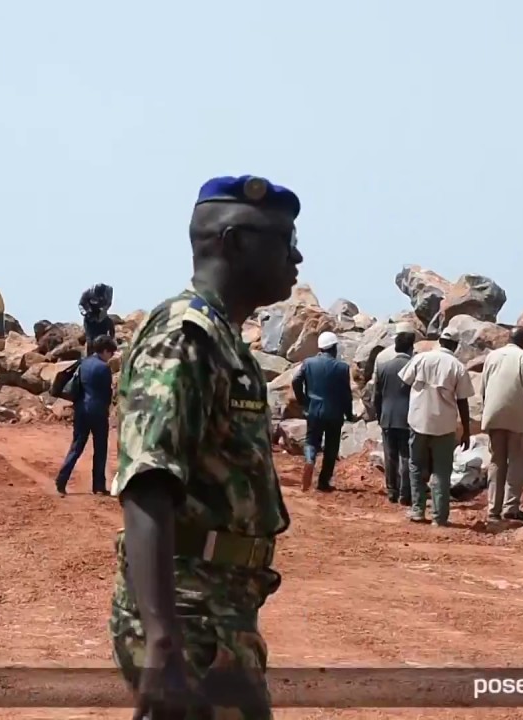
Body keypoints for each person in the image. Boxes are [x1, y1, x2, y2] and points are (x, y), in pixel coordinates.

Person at [111, 175, 302, 718]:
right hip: (190, 614)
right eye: (284, 240)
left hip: (219, 608)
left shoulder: (223, 339)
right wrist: (163, 642)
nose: (298, 255)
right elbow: (149, 480)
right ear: (236, 242)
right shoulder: (184, 335)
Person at [398, 325, 474, 526]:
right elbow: (463, 400)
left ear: (440, 340)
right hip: (444, 425)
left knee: (415, 465)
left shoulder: (421, 358)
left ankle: (417, 510)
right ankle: (439, 517)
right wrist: (465, 430)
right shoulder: (457, 366)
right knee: (441, 470)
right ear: (456, 346)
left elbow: (403, 385)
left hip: (418, 421)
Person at [480, 326, 523, 522]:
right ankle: (510, 507)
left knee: (496, 461)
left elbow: (483, 389)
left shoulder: (492, 357)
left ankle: (493, 508)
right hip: (517, 417)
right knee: (517, 460)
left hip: (493, 414)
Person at [54, 335, 118, 496]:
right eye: (110, 352)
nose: (110, 356)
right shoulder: (103, 368)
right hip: (98, 412)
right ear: (104, 351)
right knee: (100, 449)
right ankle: (98, 486)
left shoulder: (84, 363)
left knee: (76, 447)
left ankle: (61, 480)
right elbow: (106, 393)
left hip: (81, 410)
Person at [292, 331, 356, 492]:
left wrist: (303, 401)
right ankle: (323, 481)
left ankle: (309, 460)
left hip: (314, 409)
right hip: (335, 413)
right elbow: (346, 394)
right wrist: (349, 414)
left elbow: (295, 380)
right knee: (331, 447)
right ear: (334, 348)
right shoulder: (342, 367)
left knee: (312, 441)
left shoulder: (308, 363)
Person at [373, 323, 417, 506]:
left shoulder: (383, 366)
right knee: (406, 456)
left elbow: (376, 394)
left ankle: (392, 490)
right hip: (408, 418)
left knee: (390, 455)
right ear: (410, 347)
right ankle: (405, 494)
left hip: (387, 417)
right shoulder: (414, 366)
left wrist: (379, 414)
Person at [79, 284, 116, 354]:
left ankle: (108, 350)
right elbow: (81, 304)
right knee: (90, 339)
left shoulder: (109, 291)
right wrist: (86, 313)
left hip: (101, 314)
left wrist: (101, 315)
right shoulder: (87, 292)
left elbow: (108, 304)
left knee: (104, 336)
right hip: (89, 315)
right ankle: (89, 356)